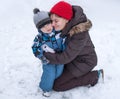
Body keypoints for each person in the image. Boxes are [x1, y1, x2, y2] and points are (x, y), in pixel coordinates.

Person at [43, 1, 104, 91]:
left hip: (84, 62)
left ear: (67, 19)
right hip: (73, 57)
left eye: (56, 21)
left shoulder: (79, 34)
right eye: (51, 21)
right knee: (52, 77)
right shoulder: (62, 25)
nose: (52, 24)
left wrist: (45, 55)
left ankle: (95, 76)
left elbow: (65, 58)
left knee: (57, 85)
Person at [32, 8, 65, 97]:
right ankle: (45, 88)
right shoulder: (39, 38)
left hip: (59, 58)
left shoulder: (58, 32)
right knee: (49, 73)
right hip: (48, 60)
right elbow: (35, 47)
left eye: (48, 23)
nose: (47, 27)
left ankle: (55, 84)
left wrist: (64, 50)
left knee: (59, 72)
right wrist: (41, 56)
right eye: (43, 26)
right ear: (39, 29)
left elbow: (65, 41)